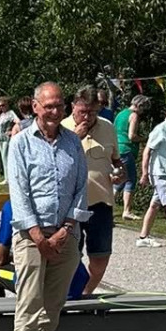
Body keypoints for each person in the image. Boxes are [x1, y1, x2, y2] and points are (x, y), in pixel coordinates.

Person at [6, 81, 89, 331]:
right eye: (49, 106)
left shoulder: (72, 143)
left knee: (53, 306)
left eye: (59, 105)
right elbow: (19, 193)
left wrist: (67, 227)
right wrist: (39, 236)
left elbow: (81, 187)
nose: (55, 111)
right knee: (28, 305)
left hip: (65, 236)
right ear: (36, 107)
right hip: (30, 236)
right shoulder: (21, 143)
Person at [62, 86, 121, 295]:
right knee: (69, 257)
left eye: (92, 112)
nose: (87, 117)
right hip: (69, 205)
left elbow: (116, 160)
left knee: (101, 256)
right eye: (82, 112)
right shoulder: (62, 129)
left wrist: (119, 172)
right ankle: (69, 295)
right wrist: (74, 138)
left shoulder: (107, 127)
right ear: (72, 108)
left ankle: (85, 293)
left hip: (101, 202)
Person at [0, 197, 90, 300]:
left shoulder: (13, 206)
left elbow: (1, 259)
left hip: (39, 287)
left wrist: (17, 255)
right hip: (75, 283)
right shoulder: (66, 206)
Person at [138, 99, 166, 245]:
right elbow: (147, 151)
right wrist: (145, 173)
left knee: (154, 205)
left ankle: (143, 237)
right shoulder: (160, 130)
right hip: (160, 172)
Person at [113, 95, 148, 221]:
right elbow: (131, 135)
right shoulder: (134, 115)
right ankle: (127, 211)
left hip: (117, 148)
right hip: (127, 149)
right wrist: (144, 139)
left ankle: (108, 205)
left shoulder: (121, 114)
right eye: (143, 108)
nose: (143, 111)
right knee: (130, 180)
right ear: (139, 105)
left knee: (120, 179)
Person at [0, 97, 18, 173]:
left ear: (7, 105)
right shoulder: (1, 114)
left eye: (3, 105)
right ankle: (6, 177)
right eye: (0, 105)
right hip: (0, 138)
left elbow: (18, 122)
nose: (1, 107)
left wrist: (12, 131)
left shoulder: (11, 113)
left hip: (6, 138)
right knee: (3, 158)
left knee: (6, 157)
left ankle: (9, 177)